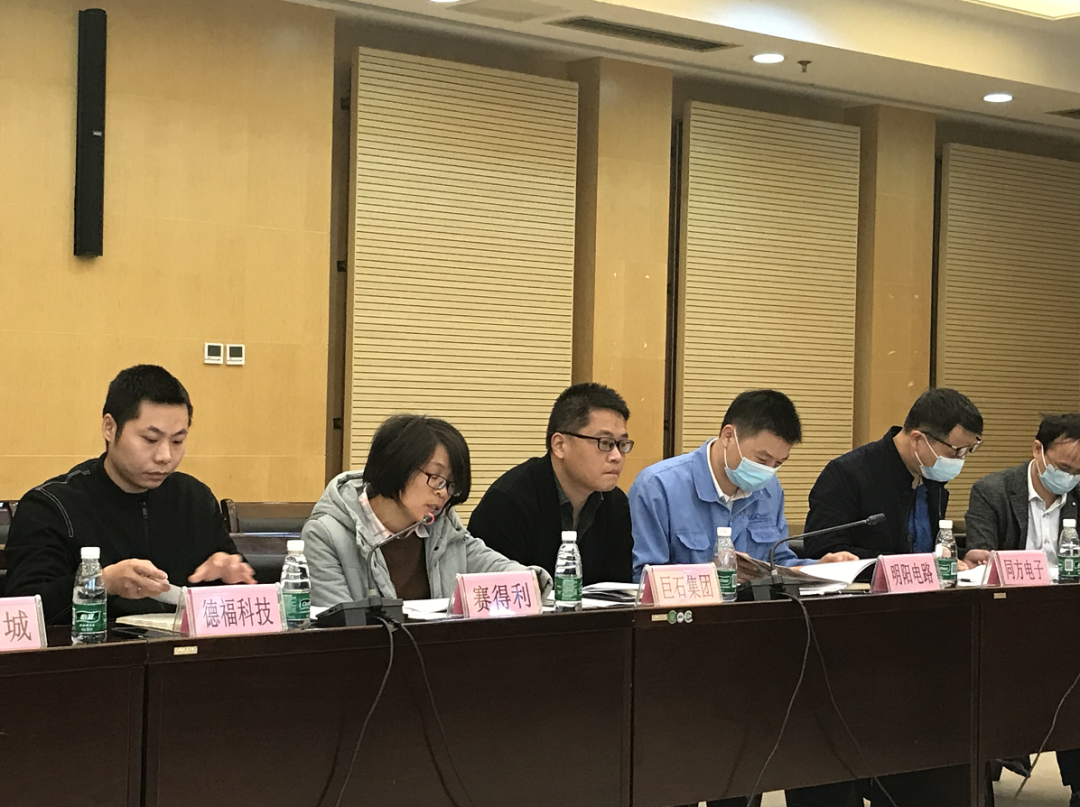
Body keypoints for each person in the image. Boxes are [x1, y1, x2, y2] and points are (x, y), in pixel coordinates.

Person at [4, 365, 253, 623]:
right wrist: (102, 583)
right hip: (96, 647)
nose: (165, 456)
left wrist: (229, 577)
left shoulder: (194, 499)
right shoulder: (51, 507)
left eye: (177, 441)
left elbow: (245, 602)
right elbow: (23, 612)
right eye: (150, 439)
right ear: (110, 428)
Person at [304, 414, 552, 608]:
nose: (443, 493)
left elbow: (488, 563)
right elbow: (336, 627)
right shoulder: (326, 535)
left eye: (451, 485)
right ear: (398, 464)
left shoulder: (442, 526)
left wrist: (530, 580)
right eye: (436, 478)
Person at [964, 413, 1080, 807]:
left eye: (1078, 472)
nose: (1070, 477)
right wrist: (979, 559)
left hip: (1068, 618)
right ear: (1037, 450)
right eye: (1064, 467)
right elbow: (980, 559)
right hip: (1007, 621)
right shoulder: (993, 491)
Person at [630, 389, 855, 583]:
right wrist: (712, 575)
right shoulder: (658, 487)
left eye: (778, 463)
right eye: (762, 459)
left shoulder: (770, 490)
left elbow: (778, 563)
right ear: (728, 436)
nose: (768, 471)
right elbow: (642, 578)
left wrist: (817, 568)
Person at [468, 383, 633, 585]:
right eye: (605, 443)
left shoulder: (615, 503)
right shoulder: (508, 502)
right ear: (560, 445)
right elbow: (494, 590)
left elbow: (618, 590)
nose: (616, 456)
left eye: (622, 445)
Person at [802, 387, 984, 559]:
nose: (960, 459)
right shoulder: (846, 474)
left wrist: (959, 556)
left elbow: (926, 549)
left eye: (966, 451)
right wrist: (906, 565)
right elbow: (823, 551)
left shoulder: (931, 475)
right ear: (917, 439)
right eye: (956, 451)